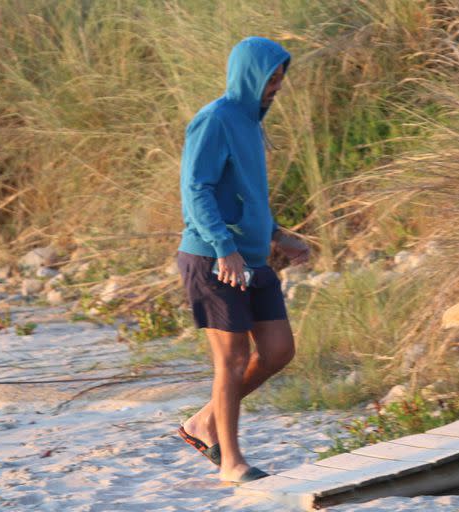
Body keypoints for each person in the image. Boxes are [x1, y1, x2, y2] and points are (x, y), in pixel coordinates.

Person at [174, 36, 309, 483]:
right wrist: (223, 249)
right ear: (248, 75)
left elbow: (247, 194)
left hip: (249, 258)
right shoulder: (214, 120)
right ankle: (230, 463)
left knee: (278, 350)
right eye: (270, 77)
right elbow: (197, 190)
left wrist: (277, 235)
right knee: (231, 361)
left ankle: (203, 421)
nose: (276, 86)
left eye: (279, 77)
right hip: (213, 260)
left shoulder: (251, 122)